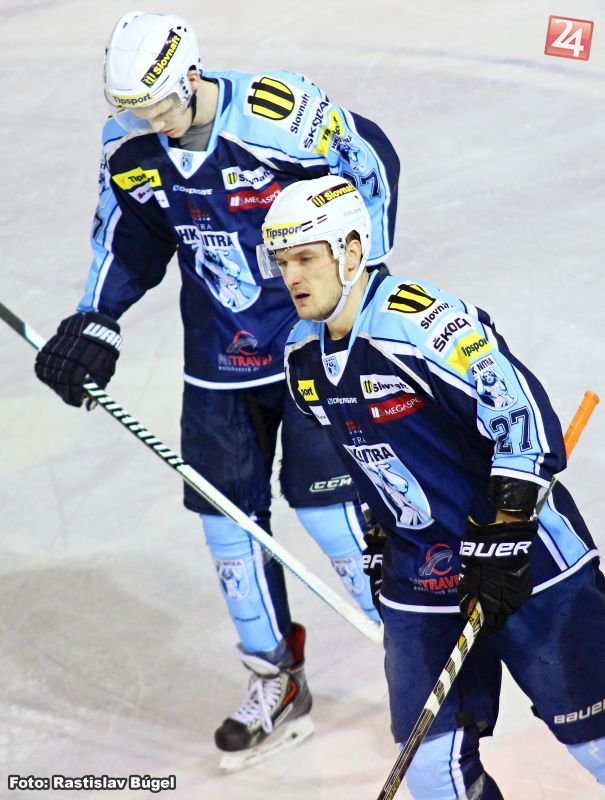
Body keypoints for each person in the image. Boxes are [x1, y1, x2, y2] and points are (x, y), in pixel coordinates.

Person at [32, 11, 399, 768]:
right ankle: (275, 679)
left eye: (160, 104)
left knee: (332, 513)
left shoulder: (280, 118)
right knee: (228, 526)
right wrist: (95, 318)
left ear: (192, 75)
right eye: (134, 109)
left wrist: (364, 281)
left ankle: (418, 648)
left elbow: (370, 160)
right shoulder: (132, 146)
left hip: (309, 347)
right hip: (217, 361)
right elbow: (125, 237)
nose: (152, 122)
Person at [258, 175, 605, 798]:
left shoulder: (419, 324)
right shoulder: (302, 358)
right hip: (421, 574)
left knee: (595, 741)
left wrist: (505, 536)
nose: (293, 277)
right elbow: (371, 461)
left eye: (306, 258)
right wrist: (377, 538)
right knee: (430, 770)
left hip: (529, 563)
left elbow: (522, 415)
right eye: (283, 262)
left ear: (352, 251)